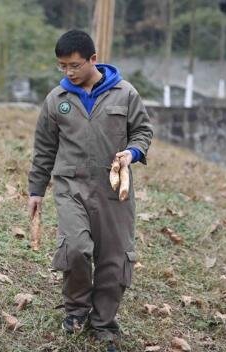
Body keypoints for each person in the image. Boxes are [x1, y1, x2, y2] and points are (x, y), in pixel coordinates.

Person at [27, 29, 153, 351]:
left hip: (114, 190)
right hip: (71, 187)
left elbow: (142, 131)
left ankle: (104, 323)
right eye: (62, 66)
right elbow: (44, 148)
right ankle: (75, 311)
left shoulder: (125, 94)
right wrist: (36, 191)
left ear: (93, 60)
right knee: (76, 249)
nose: (68, 72)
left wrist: (132, 153)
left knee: (114, 259)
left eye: (74, 65)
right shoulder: (57, 100)